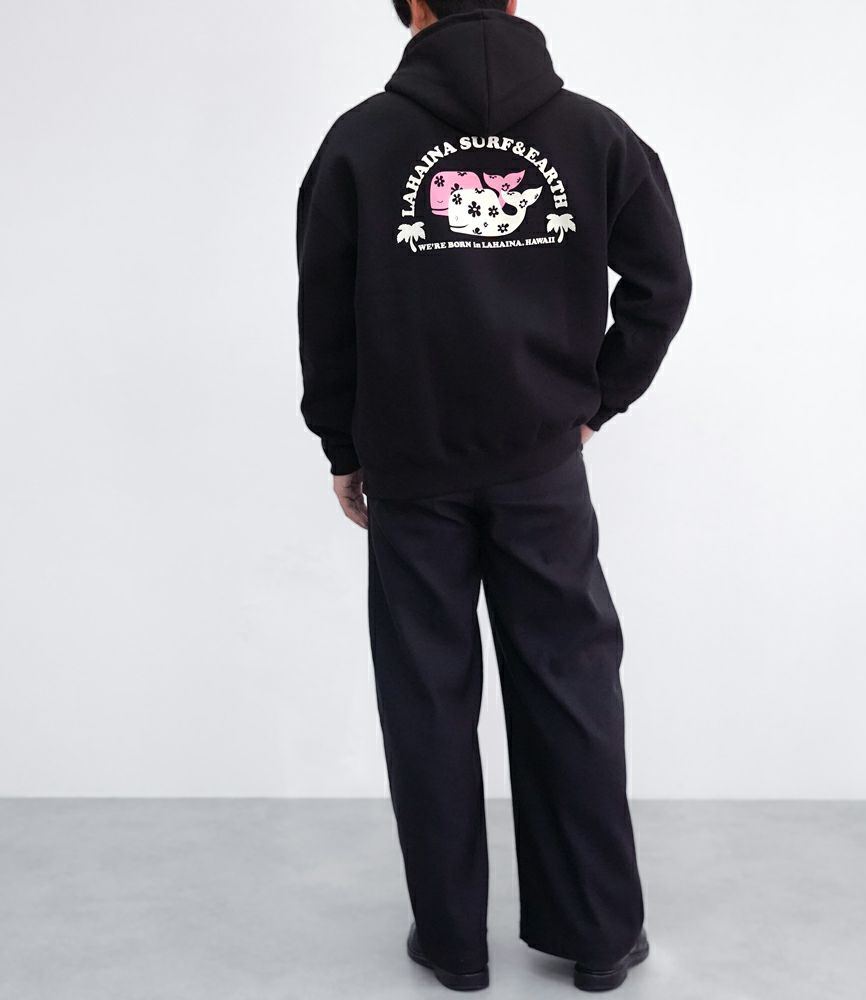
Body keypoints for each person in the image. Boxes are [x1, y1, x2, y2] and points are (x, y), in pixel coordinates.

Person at [296, 0, 691, 991]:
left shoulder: (359, 142)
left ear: (412, 7)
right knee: (571, 685)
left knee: (427, 699)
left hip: (410, 468)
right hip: (541, 467)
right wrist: (593, 403)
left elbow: (323, 309)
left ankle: (452, 944)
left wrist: (344, 444)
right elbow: (664, 283)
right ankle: (599, 934)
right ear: (515, 0)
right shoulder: (594, 134)